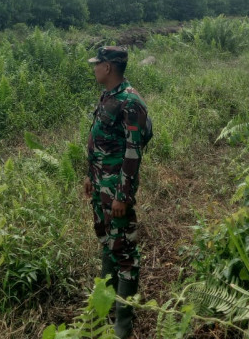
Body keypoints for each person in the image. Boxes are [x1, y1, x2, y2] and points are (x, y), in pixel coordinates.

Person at [84, 46, 149, 339]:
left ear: (108, 67)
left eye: (97, 64)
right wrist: (89, 176)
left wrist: (123, 195)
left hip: (116, 189)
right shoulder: (108, 96)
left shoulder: (130, 101)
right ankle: (105, 305)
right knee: (107, 242)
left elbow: (133, 152)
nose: (94, 68)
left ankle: (123, 319)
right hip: (100, 185)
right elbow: (99, 140)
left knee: (124, 252)